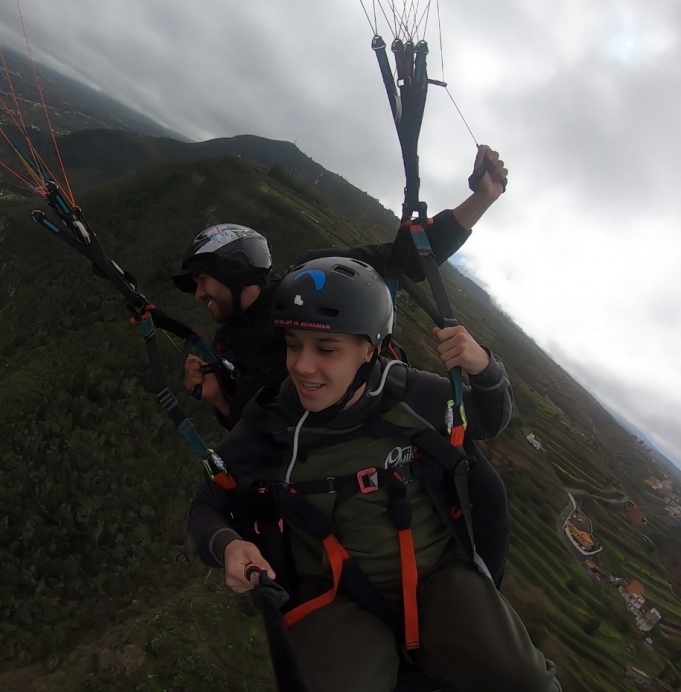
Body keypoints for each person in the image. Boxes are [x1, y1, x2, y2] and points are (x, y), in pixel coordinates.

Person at [188, 256, 559, 691]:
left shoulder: (410, 395)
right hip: (337, 595)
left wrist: (485, 369)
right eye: (293, 345)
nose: (303, 366)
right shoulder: (272, 422)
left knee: (527, 684)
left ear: (369, 350)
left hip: (438, 576)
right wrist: (228, 544)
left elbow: (486, 419)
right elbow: (209, 502)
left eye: (326, 349)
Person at [174, 145, 508, 431]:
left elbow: (399, 261)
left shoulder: (311, 281)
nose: (198, 294)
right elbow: (253, 428)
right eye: (294, 345)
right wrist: (218, 397)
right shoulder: (227, 344)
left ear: (233, 269)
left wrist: (482, 199)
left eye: (202, 280)